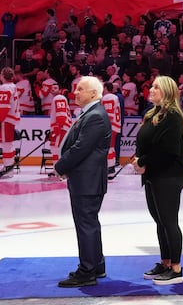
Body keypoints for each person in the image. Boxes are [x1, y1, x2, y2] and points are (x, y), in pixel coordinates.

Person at [54, 76, 112, 287]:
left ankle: (87, 271)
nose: (75, 93)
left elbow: (81, 148)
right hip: (86, 180)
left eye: (80, 89)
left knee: (85, 225)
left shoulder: (95, 116)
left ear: (93, 94)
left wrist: (60, 166)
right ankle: (96, 265)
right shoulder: (91, 113)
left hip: (87, 181)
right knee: (90, 224)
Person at [133, 75, 183, 285]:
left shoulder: (172, 117)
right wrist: (140, 160)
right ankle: (165, 262)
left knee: (169, 221)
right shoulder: (152, 114)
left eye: (156, 87)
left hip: (169, 175)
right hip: (153, 174)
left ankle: (176, 268)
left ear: (166, 91)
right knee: (160, 221)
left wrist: (143, 161)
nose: (152, 89)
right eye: (152, 85)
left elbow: (169, 151)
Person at [0, 67, 20, 176]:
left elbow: (3, 106)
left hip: (5, 119)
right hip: (11, 118)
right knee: (9, 143)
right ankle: (9, 166)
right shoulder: (13, 86)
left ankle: (8, 168)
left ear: (3, 75)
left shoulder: (4, 88)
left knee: (6, 143)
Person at [49, 85, 72, 175]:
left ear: (60, 90)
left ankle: (60, 170)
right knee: (55, 149)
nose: (53, 89)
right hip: (61, 127)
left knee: (57, 149)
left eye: (55, 88)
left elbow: (61, 115)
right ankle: (57, 169)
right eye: (52, 88)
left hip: (61, 127)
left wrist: (57, 128)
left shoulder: (59, 98)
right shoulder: (58, 98)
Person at [102, 82, 122, 177]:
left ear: (106, 88)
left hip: (110, 126)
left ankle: (110, 168)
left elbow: (108, 114)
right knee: (111, 147)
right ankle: (111, 167)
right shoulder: (114, 97)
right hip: (115, 125)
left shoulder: (108, 97)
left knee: (109, 147)